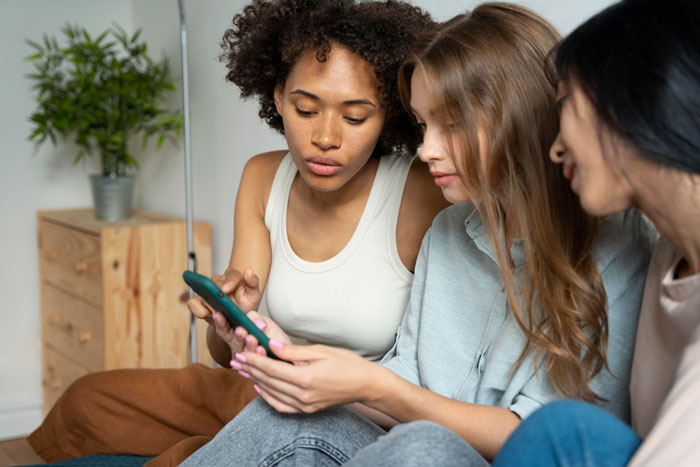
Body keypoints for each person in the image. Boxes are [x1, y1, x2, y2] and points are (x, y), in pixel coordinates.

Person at [179, 4, 655, 466]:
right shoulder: (449, 229)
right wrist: (295, 361)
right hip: (407, 444)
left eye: (451, 126)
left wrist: (375, 387)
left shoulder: (617, 247)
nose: (426, 150)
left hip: (483, 456)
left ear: (521, 115)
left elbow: (550, 439)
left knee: (423, 447)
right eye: (425, 125)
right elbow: (406, 376)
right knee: (287, 416)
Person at [27, 1, 447, 465]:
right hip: (258, 383)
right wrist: (228, 318)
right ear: (279, 98)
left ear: (390, 115)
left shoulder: (419, 192)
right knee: (88, 400)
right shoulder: (263, 177)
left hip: (344, 413)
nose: (326, 137)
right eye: (306, 109)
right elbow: (225, 357)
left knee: (186, 455)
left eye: (354, 118)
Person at [491, 0, 700, 465]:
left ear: (636, 99)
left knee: (562, 429)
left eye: (564, 103)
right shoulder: (669, 254)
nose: (555, 147)